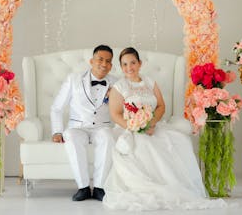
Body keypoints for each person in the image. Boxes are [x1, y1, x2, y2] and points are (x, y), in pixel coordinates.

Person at [103, 47, 227, 211]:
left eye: (132, 63)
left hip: (154, 125)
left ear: (139, 63)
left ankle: (179, 186)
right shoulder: (120, 86)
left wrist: (152, 122)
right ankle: (158, 186)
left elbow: (161, 106)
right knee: (145, 143)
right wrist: (135, 127)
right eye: (124, 64)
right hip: (130, 128)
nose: (129, 67)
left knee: (179, 140)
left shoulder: (149, 82)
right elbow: (115, 114)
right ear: (121, 67)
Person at [50, 45, 117, 201]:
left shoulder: (116, 82)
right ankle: (83, 187)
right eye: (100, 59)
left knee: (108, 137)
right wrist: (57, 131)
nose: (104, 64)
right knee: (71, 138)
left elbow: (122, 107)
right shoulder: (73, 79)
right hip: (77, 126)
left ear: (111, 65)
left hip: (102, 126)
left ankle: (100, 188)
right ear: (91, 61)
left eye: (108, 61)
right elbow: (57, 107)